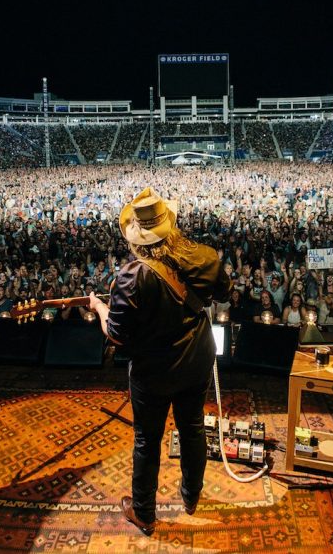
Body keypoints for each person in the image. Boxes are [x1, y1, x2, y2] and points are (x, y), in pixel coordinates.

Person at [88, 187, 231, 537]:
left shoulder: (131, 275)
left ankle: (144, 513)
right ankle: (191, 497)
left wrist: (99, 308)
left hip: (152, 372)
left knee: (147, 441)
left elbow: (117, 336)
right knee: (193, 427)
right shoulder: (204, 256)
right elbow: (223, 294)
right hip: (196, 359)